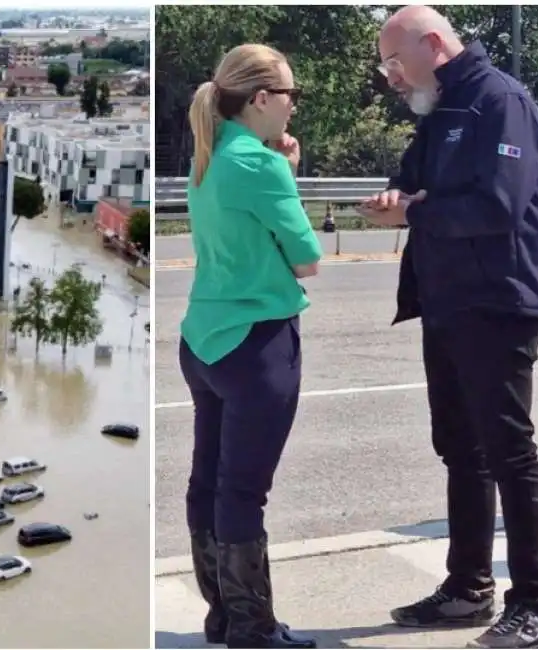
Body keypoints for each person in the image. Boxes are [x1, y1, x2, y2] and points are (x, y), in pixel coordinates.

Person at [360, 6, 538, 649]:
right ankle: (468, 588)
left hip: (496, 302)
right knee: (460, 451)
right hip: (445, 302)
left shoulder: (500, 101)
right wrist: (396, 196)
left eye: (395, 61)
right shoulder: (440, 107)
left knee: (508, 453)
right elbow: (412, 183)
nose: (390, 77)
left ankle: (531, 603)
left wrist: (415, 212)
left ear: (434, 45)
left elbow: (498, 204)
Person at [180, 43, 323, 649]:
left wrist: (276, 163)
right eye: (291, 95)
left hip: (202, 341)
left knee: (207, 481)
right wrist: (283, 171)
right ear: (261, 99)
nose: (294, 108)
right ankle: (254, 629)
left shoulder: (209, 156)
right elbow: (308, 259)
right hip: (258, 344)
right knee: (244, 492)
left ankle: (223, 616)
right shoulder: (261, 167)